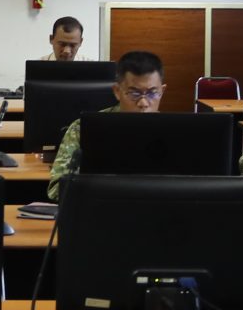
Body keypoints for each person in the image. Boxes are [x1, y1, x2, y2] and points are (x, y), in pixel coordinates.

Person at [46, 50, 164, 201]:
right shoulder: (84, 129)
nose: (143, 103)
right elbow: (57, 189)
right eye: (134, 94)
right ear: (117, 91)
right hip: (98, 208)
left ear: (162, 91)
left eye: (152, 93)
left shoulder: (175, 133)